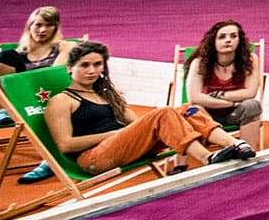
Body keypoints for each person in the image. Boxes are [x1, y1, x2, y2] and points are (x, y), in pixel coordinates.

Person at [42, 40, 254, 179]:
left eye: (97, 65)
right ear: (70, 68)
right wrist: (113, 134)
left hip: (122, 146)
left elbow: (136, 127)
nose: (92, 70)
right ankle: (207, 158)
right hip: (94, 158)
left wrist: (133, 132)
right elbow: (65, 145)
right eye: (84, 65)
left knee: (189, 109)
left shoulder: (108, 94)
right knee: (162, 113)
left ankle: (235, 144)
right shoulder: (62, 100)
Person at [0, 6, 73, 183]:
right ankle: (2, 111)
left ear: (56, 28)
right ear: (29, 26)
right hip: (25, 102)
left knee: (54, 110)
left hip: (55, 98)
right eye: (38, 25)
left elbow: (56, 74)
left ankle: (49, 160)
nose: (42, 30)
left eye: (48, 25)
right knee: (5, 57)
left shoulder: (64, 47)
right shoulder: (15, 56)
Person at [184, 20, 264, 148]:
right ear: (213, 42)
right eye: (222, 37)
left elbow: (250, 93)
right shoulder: (200, 62)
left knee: (252, 105)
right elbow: (194, 97)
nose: (228, 40)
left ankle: (248, 154)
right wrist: (230, 102)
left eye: (233, 36)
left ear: (240, 40)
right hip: (207, 115)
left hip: (235, 113)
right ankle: (181, 167)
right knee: (191, 110)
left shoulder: (250, 59)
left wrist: (217, 95)